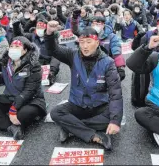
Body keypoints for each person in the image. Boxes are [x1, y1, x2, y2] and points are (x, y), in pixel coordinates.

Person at [46, 22, 123, 151]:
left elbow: (115, 93)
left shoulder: (108, 62)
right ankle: (94, 135)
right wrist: (49, 34)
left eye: (88, 42)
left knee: (114, 117)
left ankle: (70, 127)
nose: (85, 46)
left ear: (97, 43)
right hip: (77, 104)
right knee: (56, 113)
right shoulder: (72, 55)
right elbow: (53, 50)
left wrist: (115, 122)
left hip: (99, 106)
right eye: (82, 42)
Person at [0, 37, 47, 140]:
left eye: (17, 46)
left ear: (25, 50)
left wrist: (13, 109)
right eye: (11, 46)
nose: (13, 49)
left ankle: (0, 121)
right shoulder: (5, 62)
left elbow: (29, 91)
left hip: (31, 100)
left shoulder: (34, 65)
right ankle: (12, 127)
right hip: (10, 97)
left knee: (22, 114)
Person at [71, 14, 126, 81]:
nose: (96, 26)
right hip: (89, 64)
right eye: (94, 24)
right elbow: (76, 31)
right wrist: (74, 19)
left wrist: (120, 68)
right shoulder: (87, 34)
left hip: (106, 65)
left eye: (98, 24)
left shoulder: (111, 36)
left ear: (103, 25)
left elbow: (116, 50)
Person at [12, 16, 61, 84]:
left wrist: (52, 70)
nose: (39, 29)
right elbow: (20, 36)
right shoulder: (32, 36)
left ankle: (51, 75)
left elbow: (56, 55)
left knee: (56, 56)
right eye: (38, 27)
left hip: (47, 63)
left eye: (41, 27)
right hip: (34, 63)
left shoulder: (52, 39)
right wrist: (16, 26)